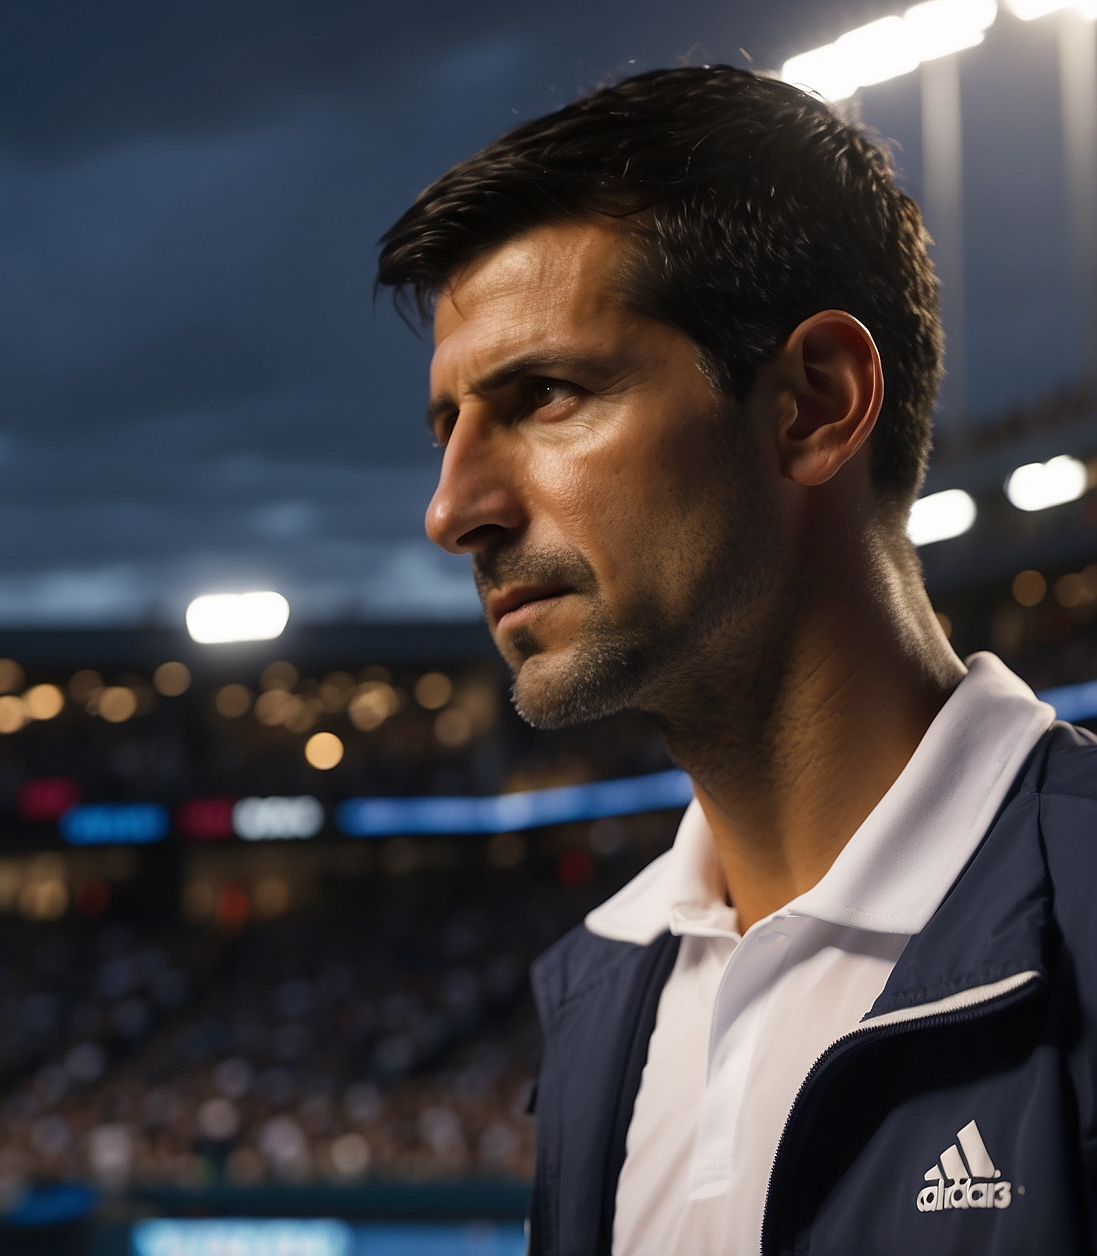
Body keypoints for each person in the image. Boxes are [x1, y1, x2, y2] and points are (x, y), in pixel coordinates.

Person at [379, 66, 1097, 1255]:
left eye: (545, 394)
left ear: (814, 402)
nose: (452, 509)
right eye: (447, 427)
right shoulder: (599, 998)